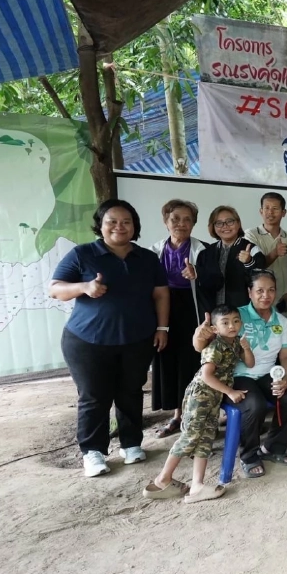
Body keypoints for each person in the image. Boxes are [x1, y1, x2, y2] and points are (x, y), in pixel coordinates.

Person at [50, 199, 170, 478]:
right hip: (87, 341)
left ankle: (131, 444)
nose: (119, 227)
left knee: (131, 392)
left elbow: (161, 294)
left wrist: (162, 328)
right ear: (100, 225)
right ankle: (93, 451)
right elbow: (55, 289)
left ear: (134, 226)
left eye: (126, 222)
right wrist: (85, 287)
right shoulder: (83, 254)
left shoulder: (147, 258)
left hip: (137, 339)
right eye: (112, 221)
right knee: (94, 396)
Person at [194, 270, 287, 478]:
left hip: (267, 373)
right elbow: (202, 347)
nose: (266, 295)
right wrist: (199, 336)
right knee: (254, 404)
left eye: (271, 290)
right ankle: (249, 455)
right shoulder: (235, 316)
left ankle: (272, 447)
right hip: (237, 375)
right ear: (250, 292)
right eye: (259, 290)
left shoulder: (281, 320)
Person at [143, 305, 254, 503]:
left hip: (213, 399)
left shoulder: (236, 342)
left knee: (205, 439)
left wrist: (246, 347)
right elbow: (206, 376)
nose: (232, 326)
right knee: (190, 436)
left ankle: (197, 486)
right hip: (201, 396)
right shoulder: (215, 346)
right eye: (225, 322)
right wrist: (230, 392)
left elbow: (250, 363)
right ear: (215, 328)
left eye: (236, 321)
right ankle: (162, 480)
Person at [149, 199, 209, 438]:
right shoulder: (153, 251)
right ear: (166, 222)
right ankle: (177, 415)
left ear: (193, 224)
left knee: (190, 363)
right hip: (163, 312)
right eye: (175, 219)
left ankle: (195, 415)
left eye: (187, 220)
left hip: (192, 312)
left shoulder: (203, 250)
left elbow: (214, 282)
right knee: (168, 361)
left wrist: (197, 274)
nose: (181, 224)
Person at [196, 206, 265, 309]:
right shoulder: (206, 253)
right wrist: (195, 273)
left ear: (238, 223)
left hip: (243, 311)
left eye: (230, 221)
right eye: (219, 223)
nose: (225, 226)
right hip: (214, 312)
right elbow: (203, 286)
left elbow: (261, 280)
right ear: (213, 227)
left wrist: (249, 262)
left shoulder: (252, 249)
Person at [244, 192, 287, 312]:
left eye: (275, 208)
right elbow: (254, 267)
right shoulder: (251, 235)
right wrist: (275, 253)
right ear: (261, 211)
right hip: (259, 299)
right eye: (266, 208)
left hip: (283, 299)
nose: (270, 212)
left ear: (283, 212)